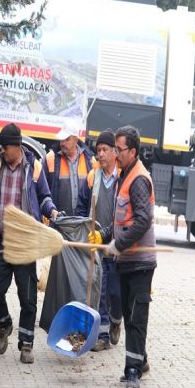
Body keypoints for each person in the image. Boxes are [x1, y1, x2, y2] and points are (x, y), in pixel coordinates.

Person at [0, 123, 58, 364]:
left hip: (25, 242)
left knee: (28, 297)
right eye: (1, 146)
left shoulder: (33, 167)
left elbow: (44, 197)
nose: (2, 150)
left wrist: (52, 211)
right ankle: (4, 325)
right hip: (1, 241)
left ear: (17, 146)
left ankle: (26, 344)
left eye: (5, 147)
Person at [89, 125, 156, 388]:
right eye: (114, 148)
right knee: (129, 317)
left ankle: (133, 372)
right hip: (125, 259)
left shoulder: (139, 179)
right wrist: (104, 234)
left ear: (133, 151)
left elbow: (141, 222)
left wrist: (118, 244)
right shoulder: (123, 176)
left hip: (140, 261)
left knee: (137, 317)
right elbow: (120, 220)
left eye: (119, 149)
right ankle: (141, 362)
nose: (115, 153)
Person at [75, 129, 122, 351]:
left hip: (117, 245)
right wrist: (84, 228)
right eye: (98, 150)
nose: (100, 154)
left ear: (115, 152)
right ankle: (102, 335)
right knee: (101, 290)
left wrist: (107, 233)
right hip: (97, 243)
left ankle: (116, 319)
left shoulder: (122, 179)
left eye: (105, 150)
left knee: (115, 291)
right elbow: (82, 207)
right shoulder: (93, 177)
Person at [43, 120, 95, 215]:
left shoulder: (90, 160)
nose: (63, 143)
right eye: (61, 140)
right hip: (57, 223)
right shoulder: (51, 159)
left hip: (82, 224)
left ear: (76, 140)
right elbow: (42, 193)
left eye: (67, 139)